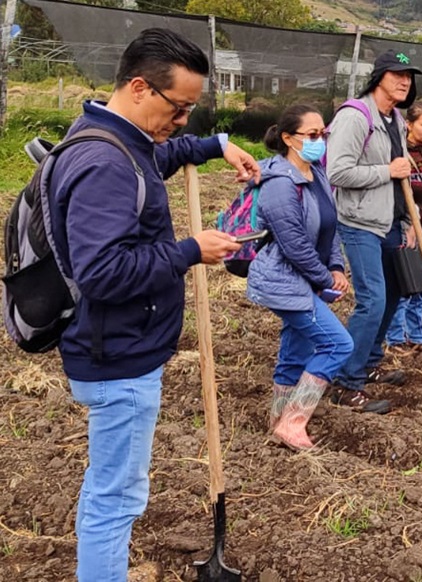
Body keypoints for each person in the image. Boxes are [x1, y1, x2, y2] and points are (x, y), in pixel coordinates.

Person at [45, 28, 260, 581]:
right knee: (115, 500)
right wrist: (191, 250)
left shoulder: (114, 137)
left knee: (113, 490)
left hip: (118, 347)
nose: (184, 120)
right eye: (180, 107)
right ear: (140, 88)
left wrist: (215, 146)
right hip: (118, 358)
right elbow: (102, 272)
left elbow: (155, 158)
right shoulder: (105, 163)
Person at [246, 104, 353, 449]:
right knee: (338, 344)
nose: (319, 140)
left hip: (307, 279)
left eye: (323, 133)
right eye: (312, 135)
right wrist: (326, 279)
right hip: (283, 282)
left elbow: (329, 227)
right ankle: (294, 422)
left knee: (295, 350)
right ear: (289, 138)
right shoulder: (280, 184)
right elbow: (294, 246)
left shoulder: (316, 173)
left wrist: (335, 267)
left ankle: (278, 418)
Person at [326, 49, 422, 413]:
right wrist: (386, 170)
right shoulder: (355, 116)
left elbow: (403, 175)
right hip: (359, 223)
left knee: (396, 292)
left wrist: (407, 220)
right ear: (379, 76)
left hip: (389, 221)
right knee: (373, 300)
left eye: (408, 76)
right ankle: (345, 381)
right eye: (397, 74)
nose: (404, 81)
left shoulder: (395, 120)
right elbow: (338, 172)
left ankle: (368, 362)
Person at [386, 101, 422, 349]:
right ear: (409, 124)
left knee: (421, 285)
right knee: (404, 285)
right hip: (406, 229)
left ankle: (417, 335)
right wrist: (408, 222)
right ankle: (396, 338)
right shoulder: (401, 153)